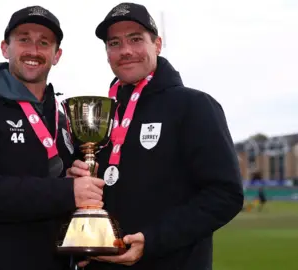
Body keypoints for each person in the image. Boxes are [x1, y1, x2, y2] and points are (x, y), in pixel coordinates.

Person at [67, 3, 244, 269]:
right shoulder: (100, 116)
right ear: (107, 53)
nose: (125, 51)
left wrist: (153, 240)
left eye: (136, 39)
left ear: (157, 45)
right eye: (114, 43)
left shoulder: (195, 106)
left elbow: (225, 194)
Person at [0, 5, 105, 270]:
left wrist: (73, 183)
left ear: (57, 54)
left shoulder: (64, 116)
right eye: (24, 39)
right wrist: (66, 191)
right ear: (6, 48)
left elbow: (60, 195)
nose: (34, 50)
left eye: (44, 42)